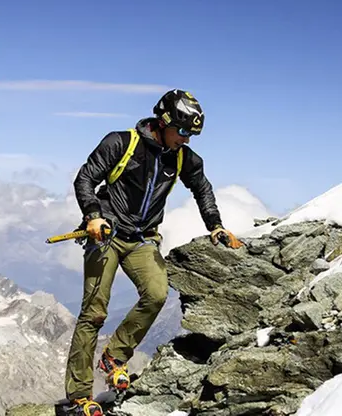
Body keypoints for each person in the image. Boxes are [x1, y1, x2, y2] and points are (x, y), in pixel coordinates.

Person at [62, 89, 244, 416]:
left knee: (157, 293)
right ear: (164, 123)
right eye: (184, 131)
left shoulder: (183, 158)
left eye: (192, 134)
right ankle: (79, 397)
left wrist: (215, 224)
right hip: (106, 234)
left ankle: (114, 357)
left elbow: (203, 189)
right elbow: (86, 178)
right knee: (94, 313)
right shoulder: (121, 143)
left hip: (142, 238)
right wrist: (93, 215)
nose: (187, 140)